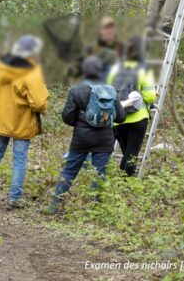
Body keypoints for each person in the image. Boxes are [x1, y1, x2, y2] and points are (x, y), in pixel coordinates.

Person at [48, 56, 126, 214]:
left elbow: (67, 117)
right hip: (104, 139)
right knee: (99, 172)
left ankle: (54, 207)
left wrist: (81, 121)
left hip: (81, 139)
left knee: (69, 170)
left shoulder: (77, 89)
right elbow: (120, 117)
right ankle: (96, 209)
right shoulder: (110, 90)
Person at [0, 35, 49, 210]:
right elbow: (39, 102)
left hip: (0, 119)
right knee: (19, 159)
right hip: (21, 121)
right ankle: (14, 199)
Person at [107, 36, 157, 176]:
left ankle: (122, 177)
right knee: (132, 154)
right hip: (138, 118)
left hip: (119, 117)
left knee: (126, 152)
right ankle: (128, 181)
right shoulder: (143, 69)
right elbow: (149, 96)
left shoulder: (113, 70)